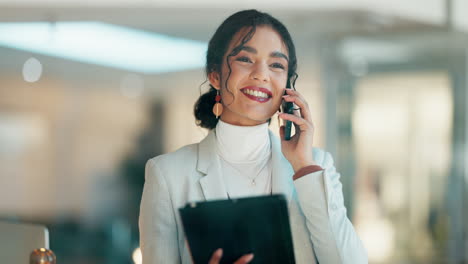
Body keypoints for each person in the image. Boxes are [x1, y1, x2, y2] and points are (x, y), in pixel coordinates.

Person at [139, 9, 368, 264]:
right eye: (246, 59)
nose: (261, 74)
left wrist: (303, 166)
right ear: (215, 74)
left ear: (288, 88)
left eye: (277, 65)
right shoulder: (168, 174)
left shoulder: (316, 166)